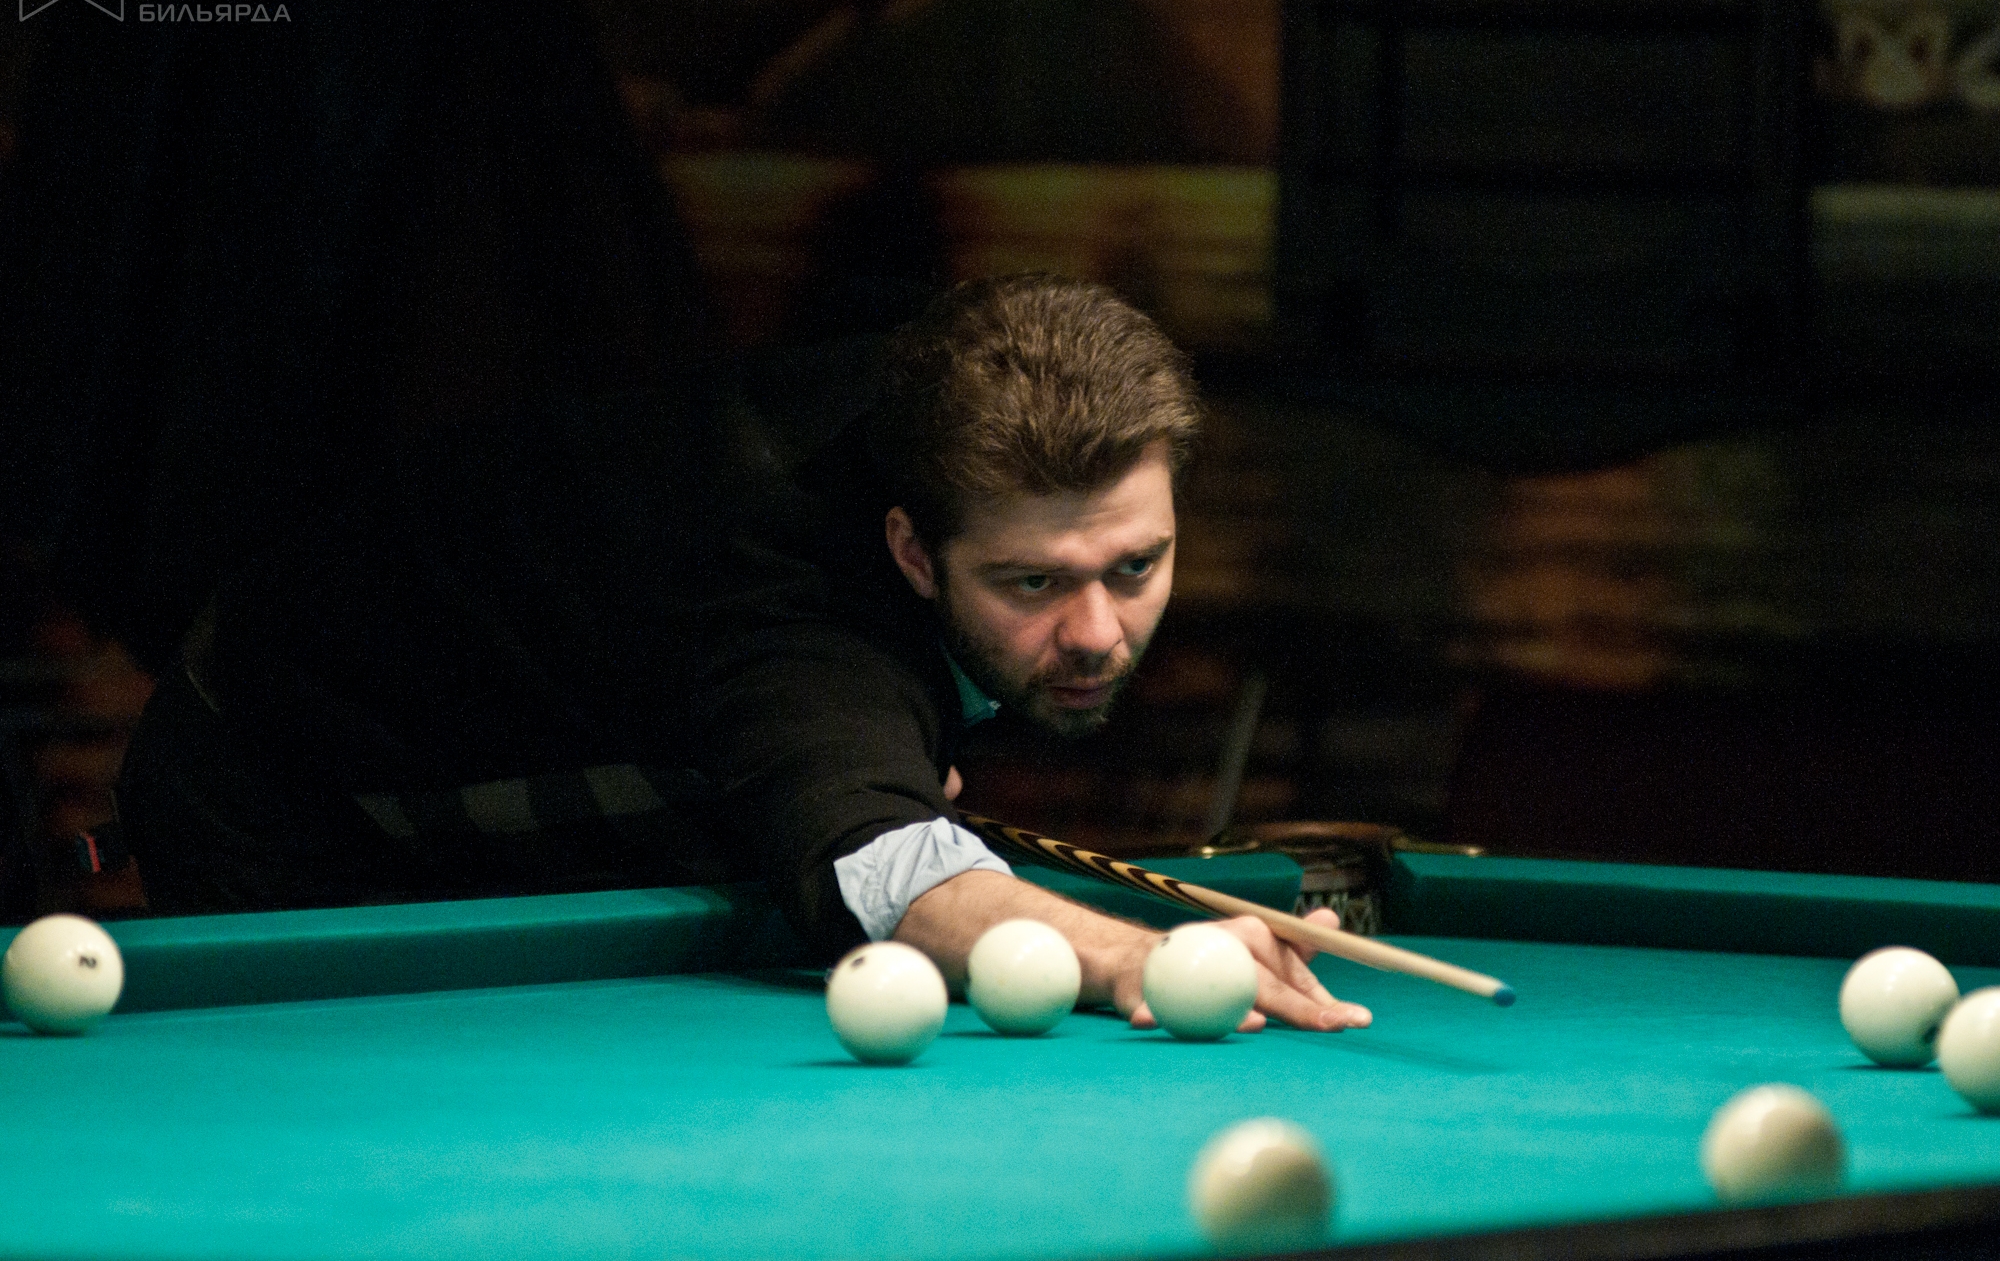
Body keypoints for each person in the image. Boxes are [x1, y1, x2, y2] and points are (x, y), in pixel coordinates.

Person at [115, 275, 1369, 1034]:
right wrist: (1137, 953)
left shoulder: (955, 408)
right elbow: (890, 866)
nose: (1096, 629)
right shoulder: (788, 596)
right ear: (911, 548)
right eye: (1032, 583)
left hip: (587, 715)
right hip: (281, 779)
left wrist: (887, 759)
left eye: (1134, 566)